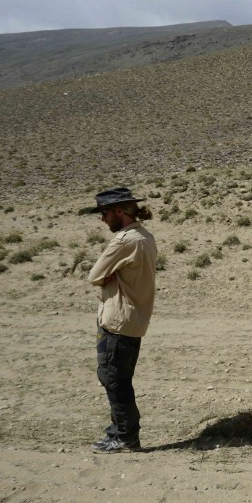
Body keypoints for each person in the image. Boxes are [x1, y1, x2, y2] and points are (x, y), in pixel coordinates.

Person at [81, 187, 157, 453]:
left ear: (118, 211)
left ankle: (126, 437)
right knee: (116, 376)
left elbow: (94, 275)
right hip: (132, 319)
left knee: (114, 378)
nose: (103, 219)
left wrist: (107, 277)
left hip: (118, 319)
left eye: (104, 213)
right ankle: (119, 432)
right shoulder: (144, 236)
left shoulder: (125, 240)